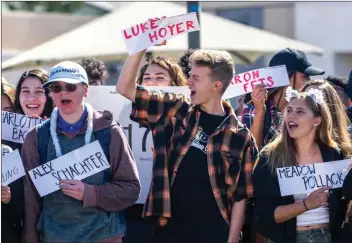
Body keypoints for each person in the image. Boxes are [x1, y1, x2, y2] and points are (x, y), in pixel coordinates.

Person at [116, 44, 258, 243]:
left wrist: (233, 240)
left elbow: (241, 196)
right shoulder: (176, 109)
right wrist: (140, 47)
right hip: (170, 232)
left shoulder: (241, 136)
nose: (188, 82)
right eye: (190, 75)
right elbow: (124, 88)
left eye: (196, 78)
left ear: (216, 85)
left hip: (215, 234)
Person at [21, 61, 141, 243]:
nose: (63, 92)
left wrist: (90, 193)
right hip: (54, 238)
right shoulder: (36, 137)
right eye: (56, 87)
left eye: (70, 86)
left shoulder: (109, 131)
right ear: (51, 94)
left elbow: (131, 189)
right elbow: (31, 198)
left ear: (85, 90)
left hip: (104, 237)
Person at [253, 87, 347, 243]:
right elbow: (265, 213)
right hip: (287, 238)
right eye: (289, 110)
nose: (291, 115)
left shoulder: (333, 154)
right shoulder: (270, 157)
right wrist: (305, 204)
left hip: (327, 237)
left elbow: (342, 205)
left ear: (317, 120)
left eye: (300, 112)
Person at [124, 54, 187, 243]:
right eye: (147, 78)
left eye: (160, 77)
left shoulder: (180, 110)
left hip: (176, 206)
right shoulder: (129, 109)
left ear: (175, 83)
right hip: (138, 206)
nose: (152, 83)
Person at [242, 48, 325, 149]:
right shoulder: (253, 110)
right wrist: (260, 111)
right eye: (305, 77)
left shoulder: (309, 110)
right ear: (285, 78)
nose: (309, 81)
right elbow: (250, 154)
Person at [301, 80, 352, 151]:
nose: (310, 106)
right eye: (305, 100)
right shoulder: (288, 148)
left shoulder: (346, 149)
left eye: (317, 102)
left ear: (331, 108)